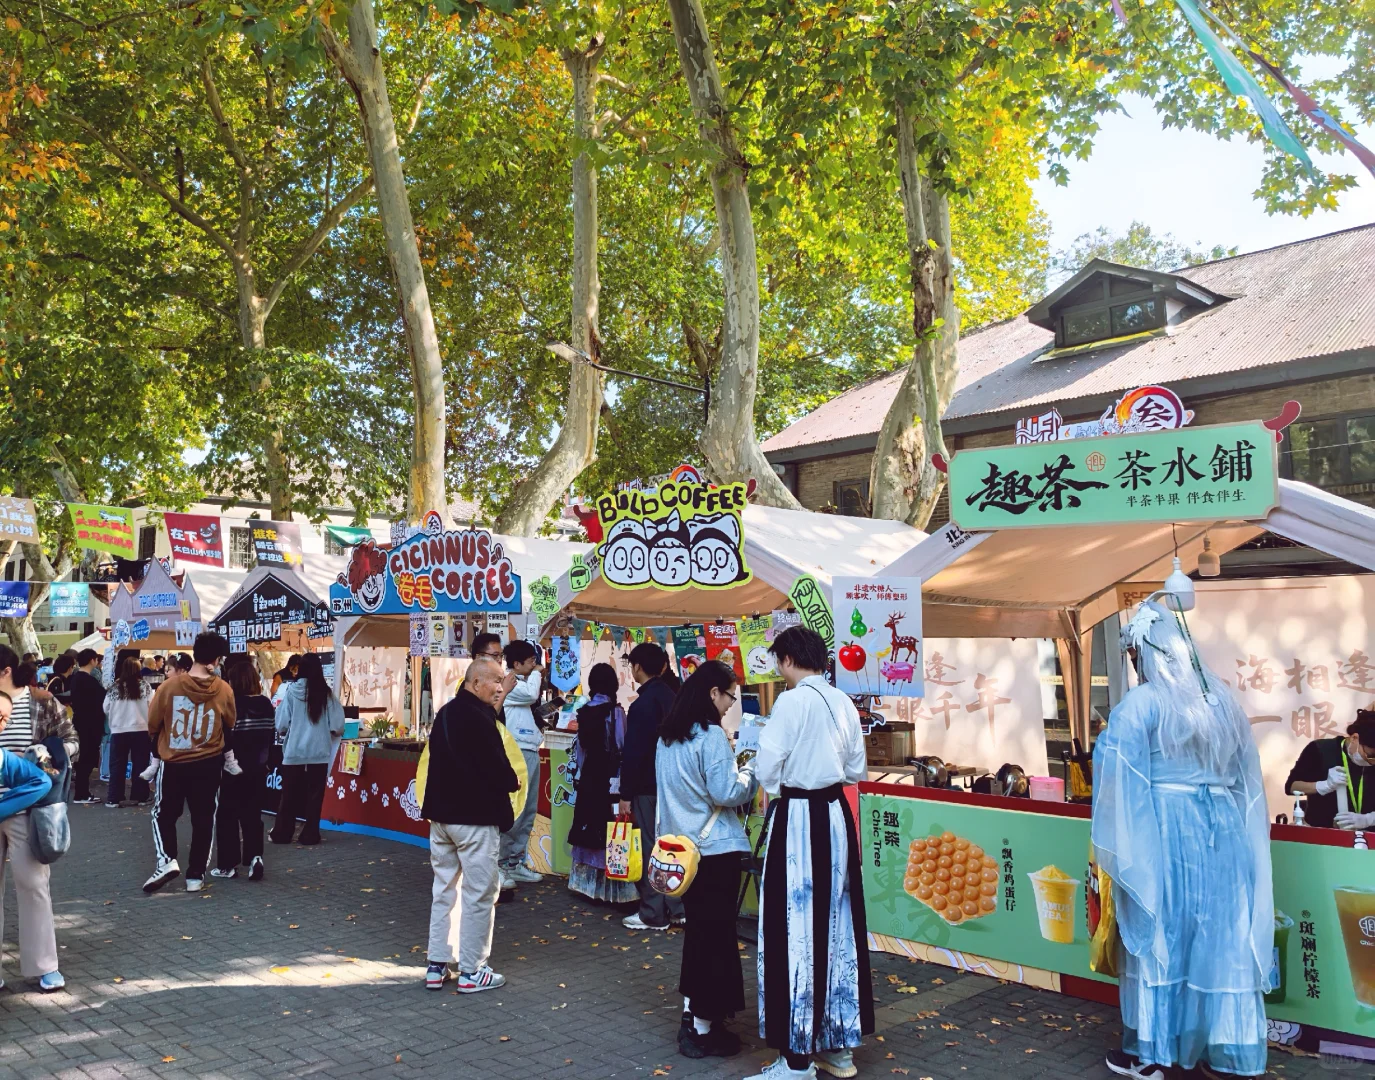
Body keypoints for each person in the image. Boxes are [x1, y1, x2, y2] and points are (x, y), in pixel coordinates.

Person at [1094, 601, 1272, 1080]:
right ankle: (1227, 1049)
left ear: (1144, 655)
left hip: (1166, 827)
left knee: (1161, 932)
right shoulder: (1222, 702)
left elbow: (1119, 778)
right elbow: (1246, 780)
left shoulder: (1143, 703)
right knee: (1222, 937)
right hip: (1225, 832)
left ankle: (1153, 1051)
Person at [751, 626, 871, 1080]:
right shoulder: (842, 701)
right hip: (836, 815)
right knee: (837, 925)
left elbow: (767, 764)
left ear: (785, 660)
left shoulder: (792, 700)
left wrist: (772, 785)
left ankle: (796, 1057)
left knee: (795, 927)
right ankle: (838, 1045)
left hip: (798, 815)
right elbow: (857, 768)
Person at [656, 660, 755, 1059]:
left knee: (699, 934)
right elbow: (726, 792)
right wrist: (752, 773)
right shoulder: (711, 736)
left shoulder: (668, 736)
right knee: (714, 939)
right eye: (730, 695)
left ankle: (693, 1016)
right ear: (713, 693)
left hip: (682, 851)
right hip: (714, 852)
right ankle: (701, 1025)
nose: (732, 703)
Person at [422, 657, 519, 993]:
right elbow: (501, 770)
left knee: (444, 889)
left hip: (441, 819)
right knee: (479, 895)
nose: (499, 687)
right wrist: (513, 783)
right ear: (475, 682)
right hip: (474, 820)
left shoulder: (446, 713)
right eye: (494, 681)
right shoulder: (479, 719)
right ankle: (472, 970)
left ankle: (436, 965)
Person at [144, 632, 236, 894]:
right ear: (216, 659)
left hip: (173, 762)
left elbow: (153, 724)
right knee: (204, 818)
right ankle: (195, 876)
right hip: (209, 763)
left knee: (163, 814)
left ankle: (167, 860)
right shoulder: (224, 690)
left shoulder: (169, 687)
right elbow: (229, 725)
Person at [0, 689, 64, 992]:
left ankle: (44, 966)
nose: (3, 723)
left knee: (34, 885)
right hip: (18, 805)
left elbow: (69, 740)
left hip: (24, 813)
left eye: (5, 718)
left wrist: (48, 755)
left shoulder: (42, 700)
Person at [620, 642, 684, 931]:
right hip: (674, 785)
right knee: (673, 845)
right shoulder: (673, 697)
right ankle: (678, 907)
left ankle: (652, 913)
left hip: (647, 785)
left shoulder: (642, 704)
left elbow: (634, 753)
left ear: (636, 668)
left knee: (651, 847)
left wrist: (625, 793)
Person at [567, 662, 636, 904]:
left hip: (589, 776)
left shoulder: (584, 711)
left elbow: (582, 751)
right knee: (611, 827)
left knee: (588, 823)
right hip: (611, 777)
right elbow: (622, 746)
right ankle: (613, 887)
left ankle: (586, 886)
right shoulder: (615, 712)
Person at [270, 653, 344, 846]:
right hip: (319, 753)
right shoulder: (326, 694)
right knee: (315, 796)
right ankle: (310, 834)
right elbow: (337, 725)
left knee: (288, 796)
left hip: (294, 752)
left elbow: (281, 724)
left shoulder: (291, 692)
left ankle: (283, 833)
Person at [213, 661, 275, 880]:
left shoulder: (231, 704)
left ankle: (227, 865)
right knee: (253, 815)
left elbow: (224, 738)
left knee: (227, 816)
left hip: (232, 769)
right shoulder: (266, 704)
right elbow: (271, 735)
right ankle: (255, 856)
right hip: (258, 768)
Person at [497, 639, 545, 889]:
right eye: (530, 662)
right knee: (516, 809)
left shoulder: (522, 682)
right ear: (516, 664)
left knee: (528, 810)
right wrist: (536, 674)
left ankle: (515, 862)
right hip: (517, 752)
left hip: (529, 749)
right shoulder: (511, 682)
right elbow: (530, 694)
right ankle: (503, 862)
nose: (535, 665)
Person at [1285, 708, 1375, 830]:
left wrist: (1368, 819)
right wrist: (1323, 785)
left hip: (1367, 840)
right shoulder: (1320, 749)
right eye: (1370, 755)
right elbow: (1291, 787)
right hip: (1323, 835)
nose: (1372, 762)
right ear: (1354, 738)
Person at [0, 648, 79, 786]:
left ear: (6, 672)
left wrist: (45, 755)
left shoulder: (42, 702)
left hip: (30, 799)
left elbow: (72, 740)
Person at [105, 656, 153, 807]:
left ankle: (114, 798)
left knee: (117, 765)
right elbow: (152, 706)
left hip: (118, 730)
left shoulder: (114, 687)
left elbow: (105, 707)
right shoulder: (145, 686)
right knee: (141, 764)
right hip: (141, 729)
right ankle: (140, 796)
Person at [68, 649, 107, 806]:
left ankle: (81, 792)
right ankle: (81, 793)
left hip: (80, 722)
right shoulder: (89, 680)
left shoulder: (76, 678)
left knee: (83, 758)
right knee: (87, 759)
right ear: (93, 660)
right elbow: (102, 699)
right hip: (90, 725)